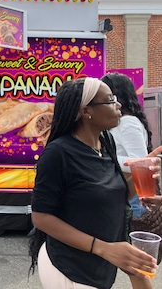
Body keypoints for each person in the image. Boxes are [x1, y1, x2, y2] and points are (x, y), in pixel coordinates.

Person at [29, 77, 158, 289]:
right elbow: (41, 217)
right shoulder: (58, 153)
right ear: (86, 111)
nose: (118, 105)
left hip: (101, 267)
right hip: (69, 269)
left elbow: (114, 195)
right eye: (110, 100)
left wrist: (143, 171)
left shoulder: (105, 145)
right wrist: (103, 248)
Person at [101, 73, 154, 219]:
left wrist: (105, 157)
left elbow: (140, 162)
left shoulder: (127, 122)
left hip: (132, 197)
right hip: (121, 190)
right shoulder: (119, 122)